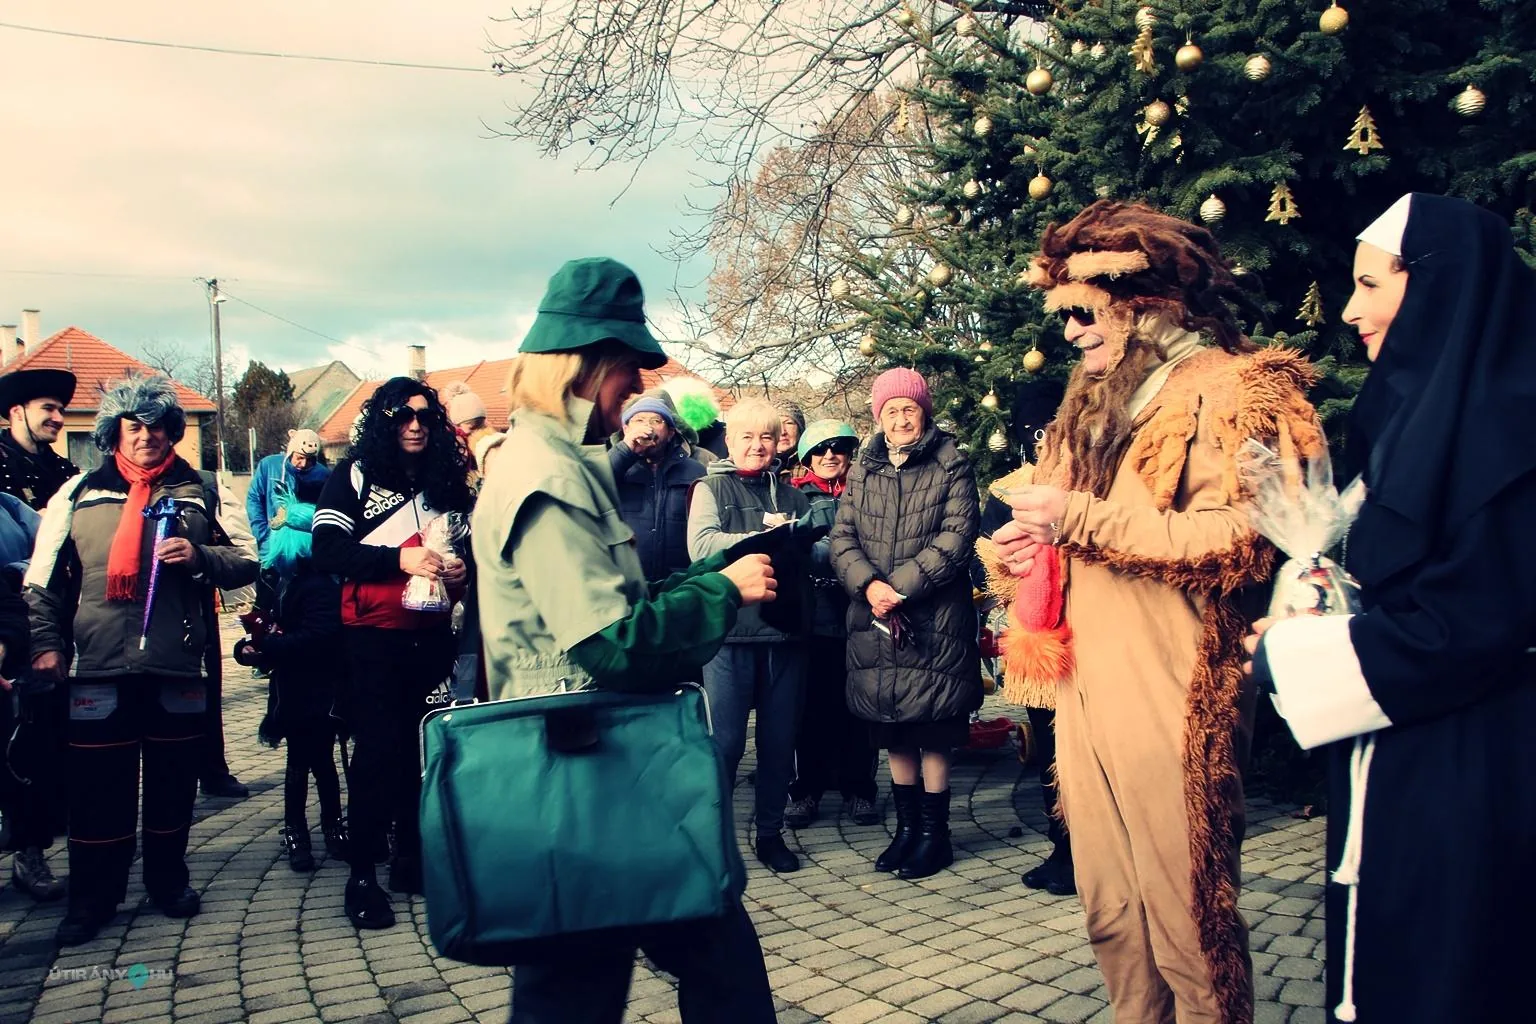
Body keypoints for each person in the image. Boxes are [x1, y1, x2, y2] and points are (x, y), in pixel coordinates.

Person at [990, 200, 1324, 1024]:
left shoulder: (1236, 387)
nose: (1069, 332)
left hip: (1173, 687)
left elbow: (1245, 540)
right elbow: (1065, 530)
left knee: (1187, 920)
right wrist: (1021, 553)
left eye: (1082, 312)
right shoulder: (1088, 405)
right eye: (1062, 314)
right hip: (1084, 686)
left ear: (1143, 300)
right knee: (1111, 912)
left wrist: (1079, 520)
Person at [1245, 194, 1536, 1024]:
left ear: (1437, 283)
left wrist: (1293, 656)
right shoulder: (1419, 414)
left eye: (1370, 284)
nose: (1349, 309)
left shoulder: (1508, 428)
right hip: (1411, 745)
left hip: (1480, 766)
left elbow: (1474, 623)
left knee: (1456, 972)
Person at [472, 256, 777, 1024]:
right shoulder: (546, 472)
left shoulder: (562, 461)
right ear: (586, 365)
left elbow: (610, 606)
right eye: (627, 372)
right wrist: (722, 591)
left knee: (618, 975)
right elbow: (609, 643)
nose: (634, 392)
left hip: (603, 771)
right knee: (595, 986)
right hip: (586, 776)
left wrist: (702, 581)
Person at [25, 375, 259, 947]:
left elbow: (249, 560)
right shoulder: (79, 492)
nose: (146, 437)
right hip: (97, 668)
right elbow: (42, 583)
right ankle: (92, 901)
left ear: (173, 431)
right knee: (98, 793)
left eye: (157, 426)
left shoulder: (201, 488)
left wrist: (201, 555)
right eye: (134, 426)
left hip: (177, 666)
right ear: (113, 432)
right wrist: (45, 645)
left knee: (173, 786)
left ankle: (167, 882)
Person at [313, 376, 472, 930]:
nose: (414, 425)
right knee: (377, 755)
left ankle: (411, 856)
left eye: (425, 417)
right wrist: (397, 561)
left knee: (422, 752)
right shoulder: (354, 474)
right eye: (402, 416)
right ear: (382, 420)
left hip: (430, 636)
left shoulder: (447, 480)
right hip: (370, 639)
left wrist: (459, 569)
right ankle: (362, 875)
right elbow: (327, 549)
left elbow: (468, 547)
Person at [829, 369, 980, 881]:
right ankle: (907, 830)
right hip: (875, 615)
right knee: (893, 725)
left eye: (908, 410)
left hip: (931, 616)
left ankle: (936, 836)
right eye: (890, 411)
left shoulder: (951, 463)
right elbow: (842, 537)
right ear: (879, 417)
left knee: (931, 727)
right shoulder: (863, 469)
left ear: (924, 412)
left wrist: (901, 588)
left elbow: (958, 536)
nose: (900, 419)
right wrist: (869, 586)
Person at [687, 397, 811, 874]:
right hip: (731, 634)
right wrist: (765, 537)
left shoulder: (793, 494)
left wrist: (806, 537)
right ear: (730, 440)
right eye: (747, 437)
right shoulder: (709, 489)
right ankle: (712, 838)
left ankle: (770, 833)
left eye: (767, 437)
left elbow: (815, 556)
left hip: (784, 635)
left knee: (780, 742)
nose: (757, 446)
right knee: (725, 743)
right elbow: (701, 548)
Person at [975, 375, 1074, 896]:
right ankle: (1063, 846)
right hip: (1035, 640)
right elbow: (989, 561)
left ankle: (1097, 849)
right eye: (1033, 432)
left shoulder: (1089, 484)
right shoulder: (1006, 492)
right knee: (1049, 748)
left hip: (1087, 637)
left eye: (1051, 429)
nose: (1043, 441)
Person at [242, 475, 348, 873]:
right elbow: (267, 627)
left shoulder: (318, 585)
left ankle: (318, 829)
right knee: (306, 764)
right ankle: (306, 830)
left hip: (318, 692)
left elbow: (317, 637)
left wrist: (268, 645)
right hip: (293, 690)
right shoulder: (280, 581)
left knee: (314, 763)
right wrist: (250, 646)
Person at [0, 367, 76, 902]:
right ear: (14, 413)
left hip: (56, 620)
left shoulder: (68, 471)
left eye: (59, 409)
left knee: (44, 745)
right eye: (47, 408)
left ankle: (33, 852)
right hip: (7, 621)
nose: (56, 417)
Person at [783, 420, 879, 829]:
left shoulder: (866, 493)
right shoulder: (792, 497)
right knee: (812, 709)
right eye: (820, 449)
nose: (829, 455)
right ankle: (806, 790)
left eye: (838, 447)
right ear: (807, 456)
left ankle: (860, 789)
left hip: (860, 615)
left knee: (861, 709)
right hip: (815, 618)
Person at [609, 389, 709, 583]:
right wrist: (625, 450)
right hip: (627, 581)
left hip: (680, 582)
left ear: (671, 432)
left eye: (656, 421)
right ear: (626, 428)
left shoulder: (696, 471)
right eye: (639, 420)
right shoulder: (616, 465)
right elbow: (594, 485)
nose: (648, 427)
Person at [247, 429, 329, 557]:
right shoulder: (269, 465)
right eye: (299, 458)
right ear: (290, 452)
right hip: (270, 545)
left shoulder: (323, 475)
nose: (303, 464)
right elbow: (254, 499)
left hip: (307, 548)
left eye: (309, 459)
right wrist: (263, 535)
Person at [775, 401, 805, 479]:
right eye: (776, 424)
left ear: (800, 430)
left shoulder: (813, 467)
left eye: (789, 423)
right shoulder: (759, 468)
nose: (782, 432)